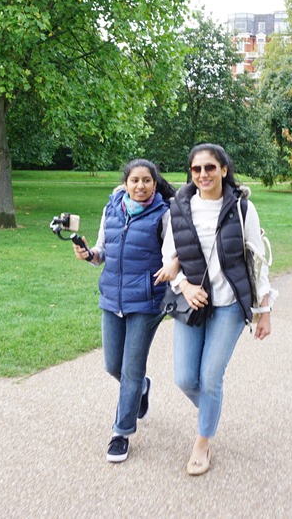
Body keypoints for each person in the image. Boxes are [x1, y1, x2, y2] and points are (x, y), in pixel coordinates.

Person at [161, 143, 275, 476]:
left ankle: (203, 441)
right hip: (193, 303)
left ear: (224, 169)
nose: (203, 174)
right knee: (185, 378)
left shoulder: (242, 208)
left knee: (210, 378)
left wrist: (264, 310)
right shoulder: (179, 209)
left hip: (228, 305)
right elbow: (168, 256)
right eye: (196, 169)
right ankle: (211, 408)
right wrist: (184, 286)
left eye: (210, 167)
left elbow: (257, 262)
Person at [72, 158, 177, 464]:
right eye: (135, 180)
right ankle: (142, 388)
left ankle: (121, 433)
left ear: (154, 184)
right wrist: (89, 254)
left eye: (147, 180)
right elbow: (102, 251)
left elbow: (172, 254)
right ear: (126, 183)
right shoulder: (112, 209)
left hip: (146, 301)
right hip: (112, 297)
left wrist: (172, 268)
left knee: (131, 369)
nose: (140, 186)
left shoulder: (164, 214)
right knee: (112, 366)